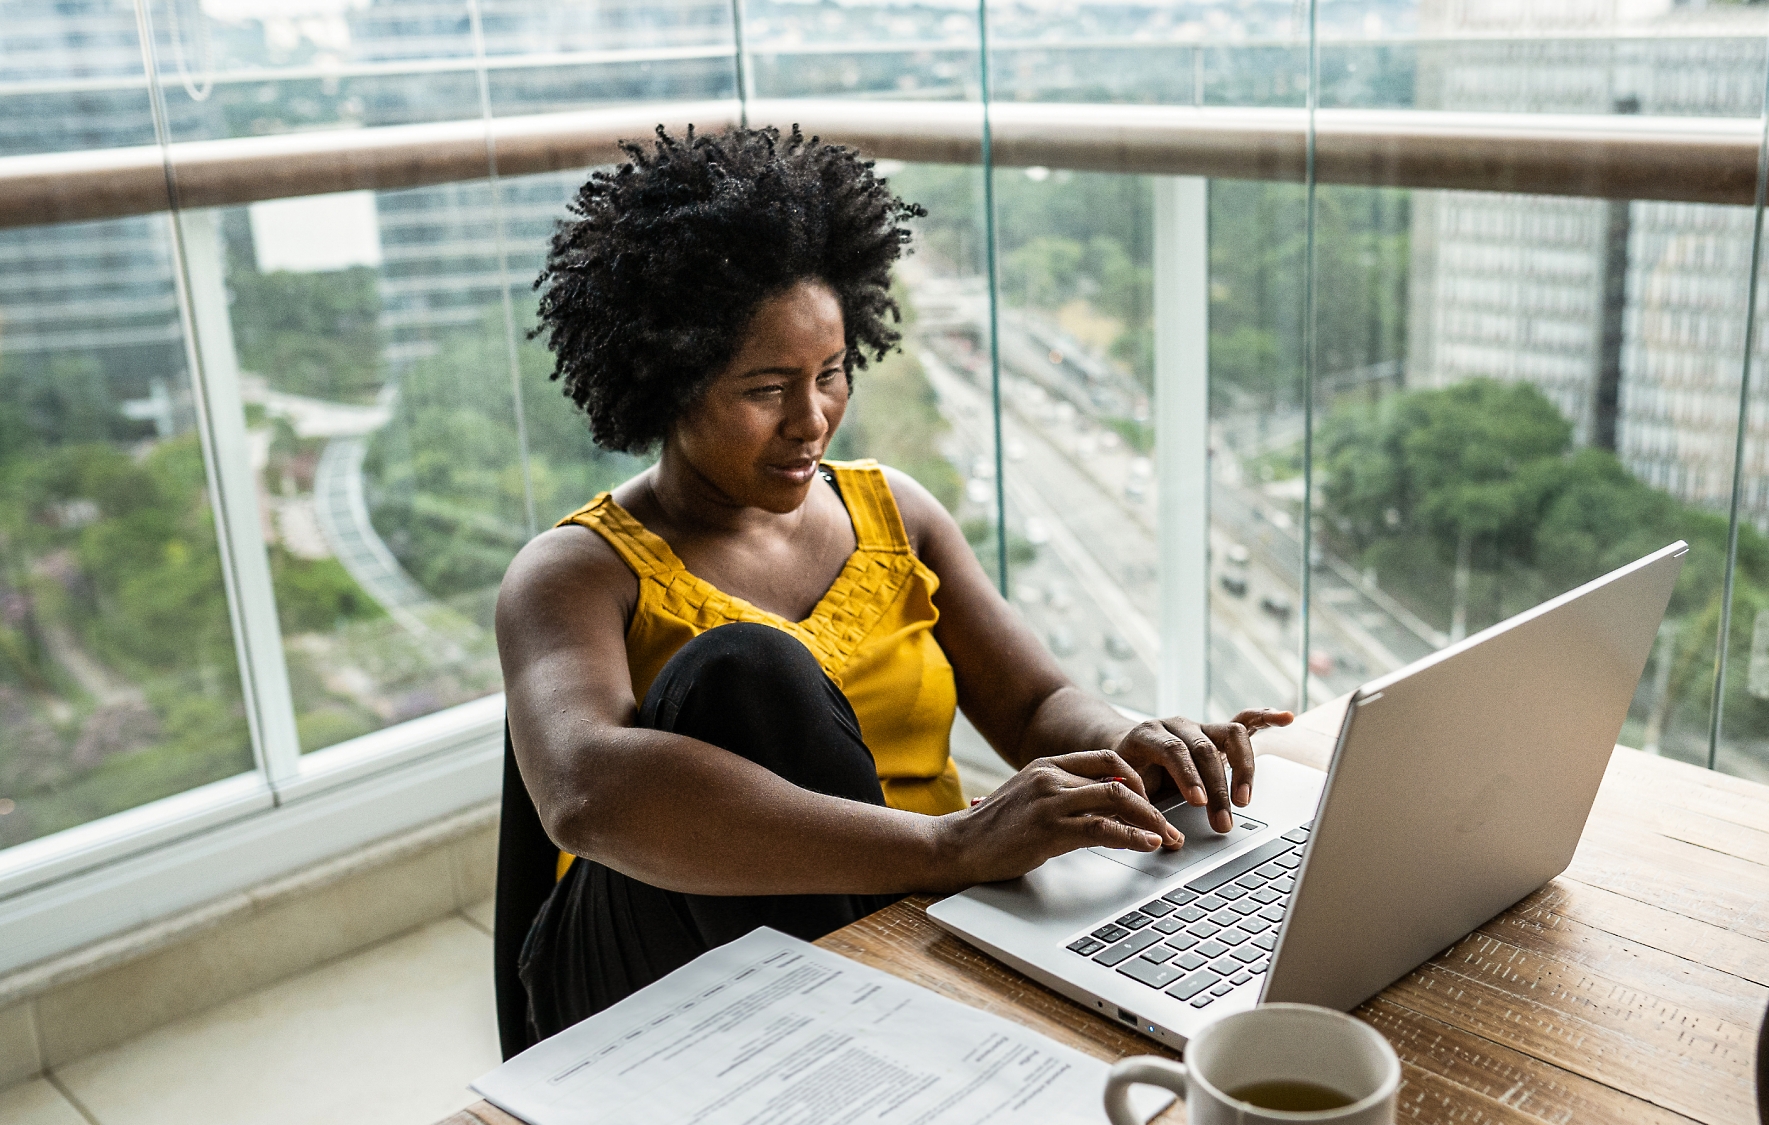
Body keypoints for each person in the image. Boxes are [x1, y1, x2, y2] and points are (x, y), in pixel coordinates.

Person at [495, 124, 1292, 1044]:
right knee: (745, 672)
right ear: (669, 382)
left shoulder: (895, 514)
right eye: (766, 389)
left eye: (830, 374)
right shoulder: (575, 572)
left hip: (904, 919)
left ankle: (908, 1033)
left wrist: (1132, 746)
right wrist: (948, 846)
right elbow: (585, 792)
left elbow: (1035, 703)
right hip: (651, 965)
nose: (812, 420)